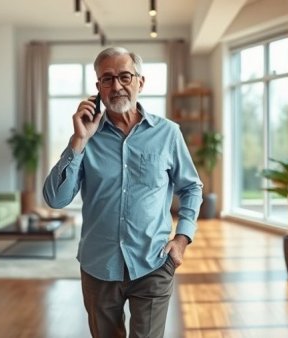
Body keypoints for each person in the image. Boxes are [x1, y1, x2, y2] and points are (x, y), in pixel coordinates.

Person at [43, 46, 203, 338]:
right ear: (98, 88)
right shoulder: (86, 138)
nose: (116, 86)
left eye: (125, 76)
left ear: (140, 82)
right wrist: (78, 141)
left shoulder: (168, 133)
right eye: (107, 79)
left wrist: (182, 239)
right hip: (98, 266)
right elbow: (56, 198)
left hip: (153, 263)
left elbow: (191, 186)